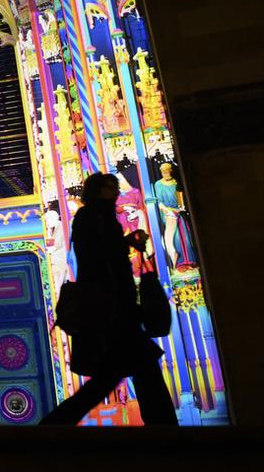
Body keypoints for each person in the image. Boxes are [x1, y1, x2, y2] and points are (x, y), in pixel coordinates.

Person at [40, 172, 177, 425]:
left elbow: (103, 252)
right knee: (134, 370)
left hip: (113, 308)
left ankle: (55, 423)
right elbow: (99, 257)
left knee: (118, 374)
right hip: (112, 310)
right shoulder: (93, 217)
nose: (116, 192)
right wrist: (126, 244)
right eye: (111, 187)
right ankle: (165, 427)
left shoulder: (96, 217)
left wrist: (125, 242)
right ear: (99, 191)